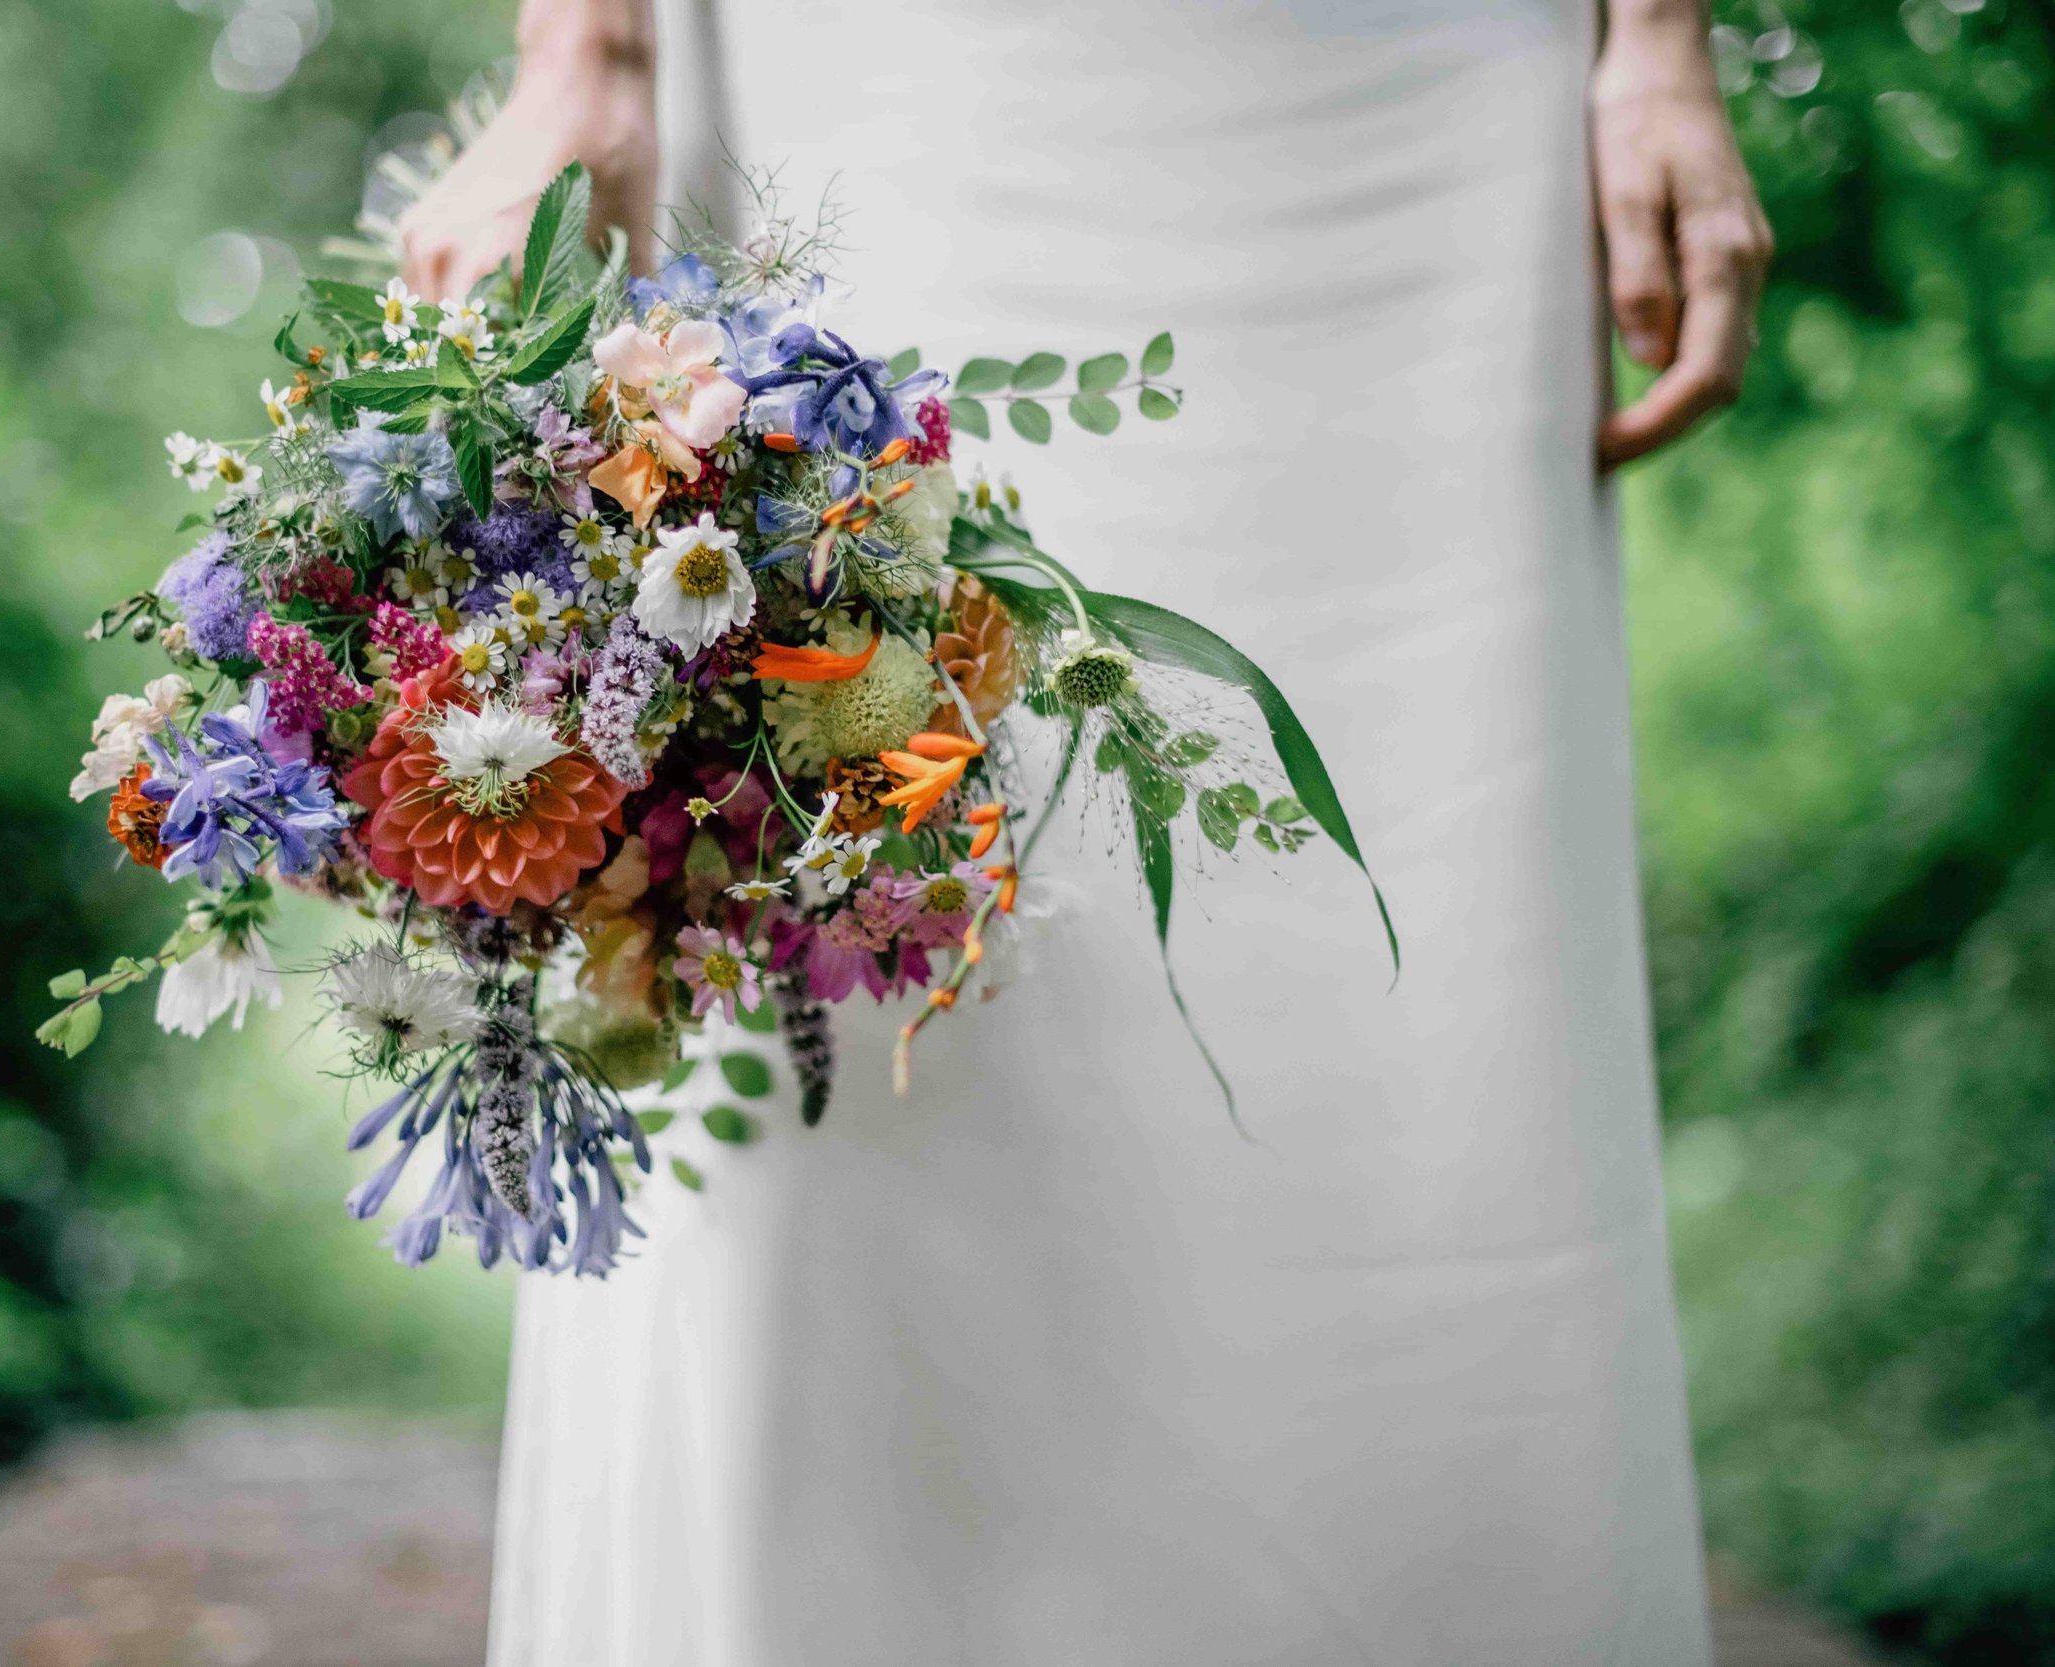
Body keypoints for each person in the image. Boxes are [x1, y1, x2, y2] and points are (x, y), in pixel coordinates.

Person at [402, 0, 1773, 1660]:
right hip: (851, 77)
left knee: (1425, 1016)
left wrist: (1664, 36)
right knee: (843, 1000)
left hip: (1410, 109)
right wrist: (582, 54)